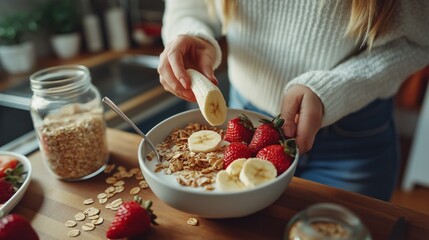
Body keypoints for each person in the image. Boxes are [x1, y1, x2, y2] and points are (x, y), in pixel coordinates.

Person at [157, 0, 429, 201]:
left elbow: (421, 41)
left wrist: (336, 87)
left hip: (349, 139)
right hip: (245, 117)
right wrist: (191, 33)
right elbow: (188, 6)